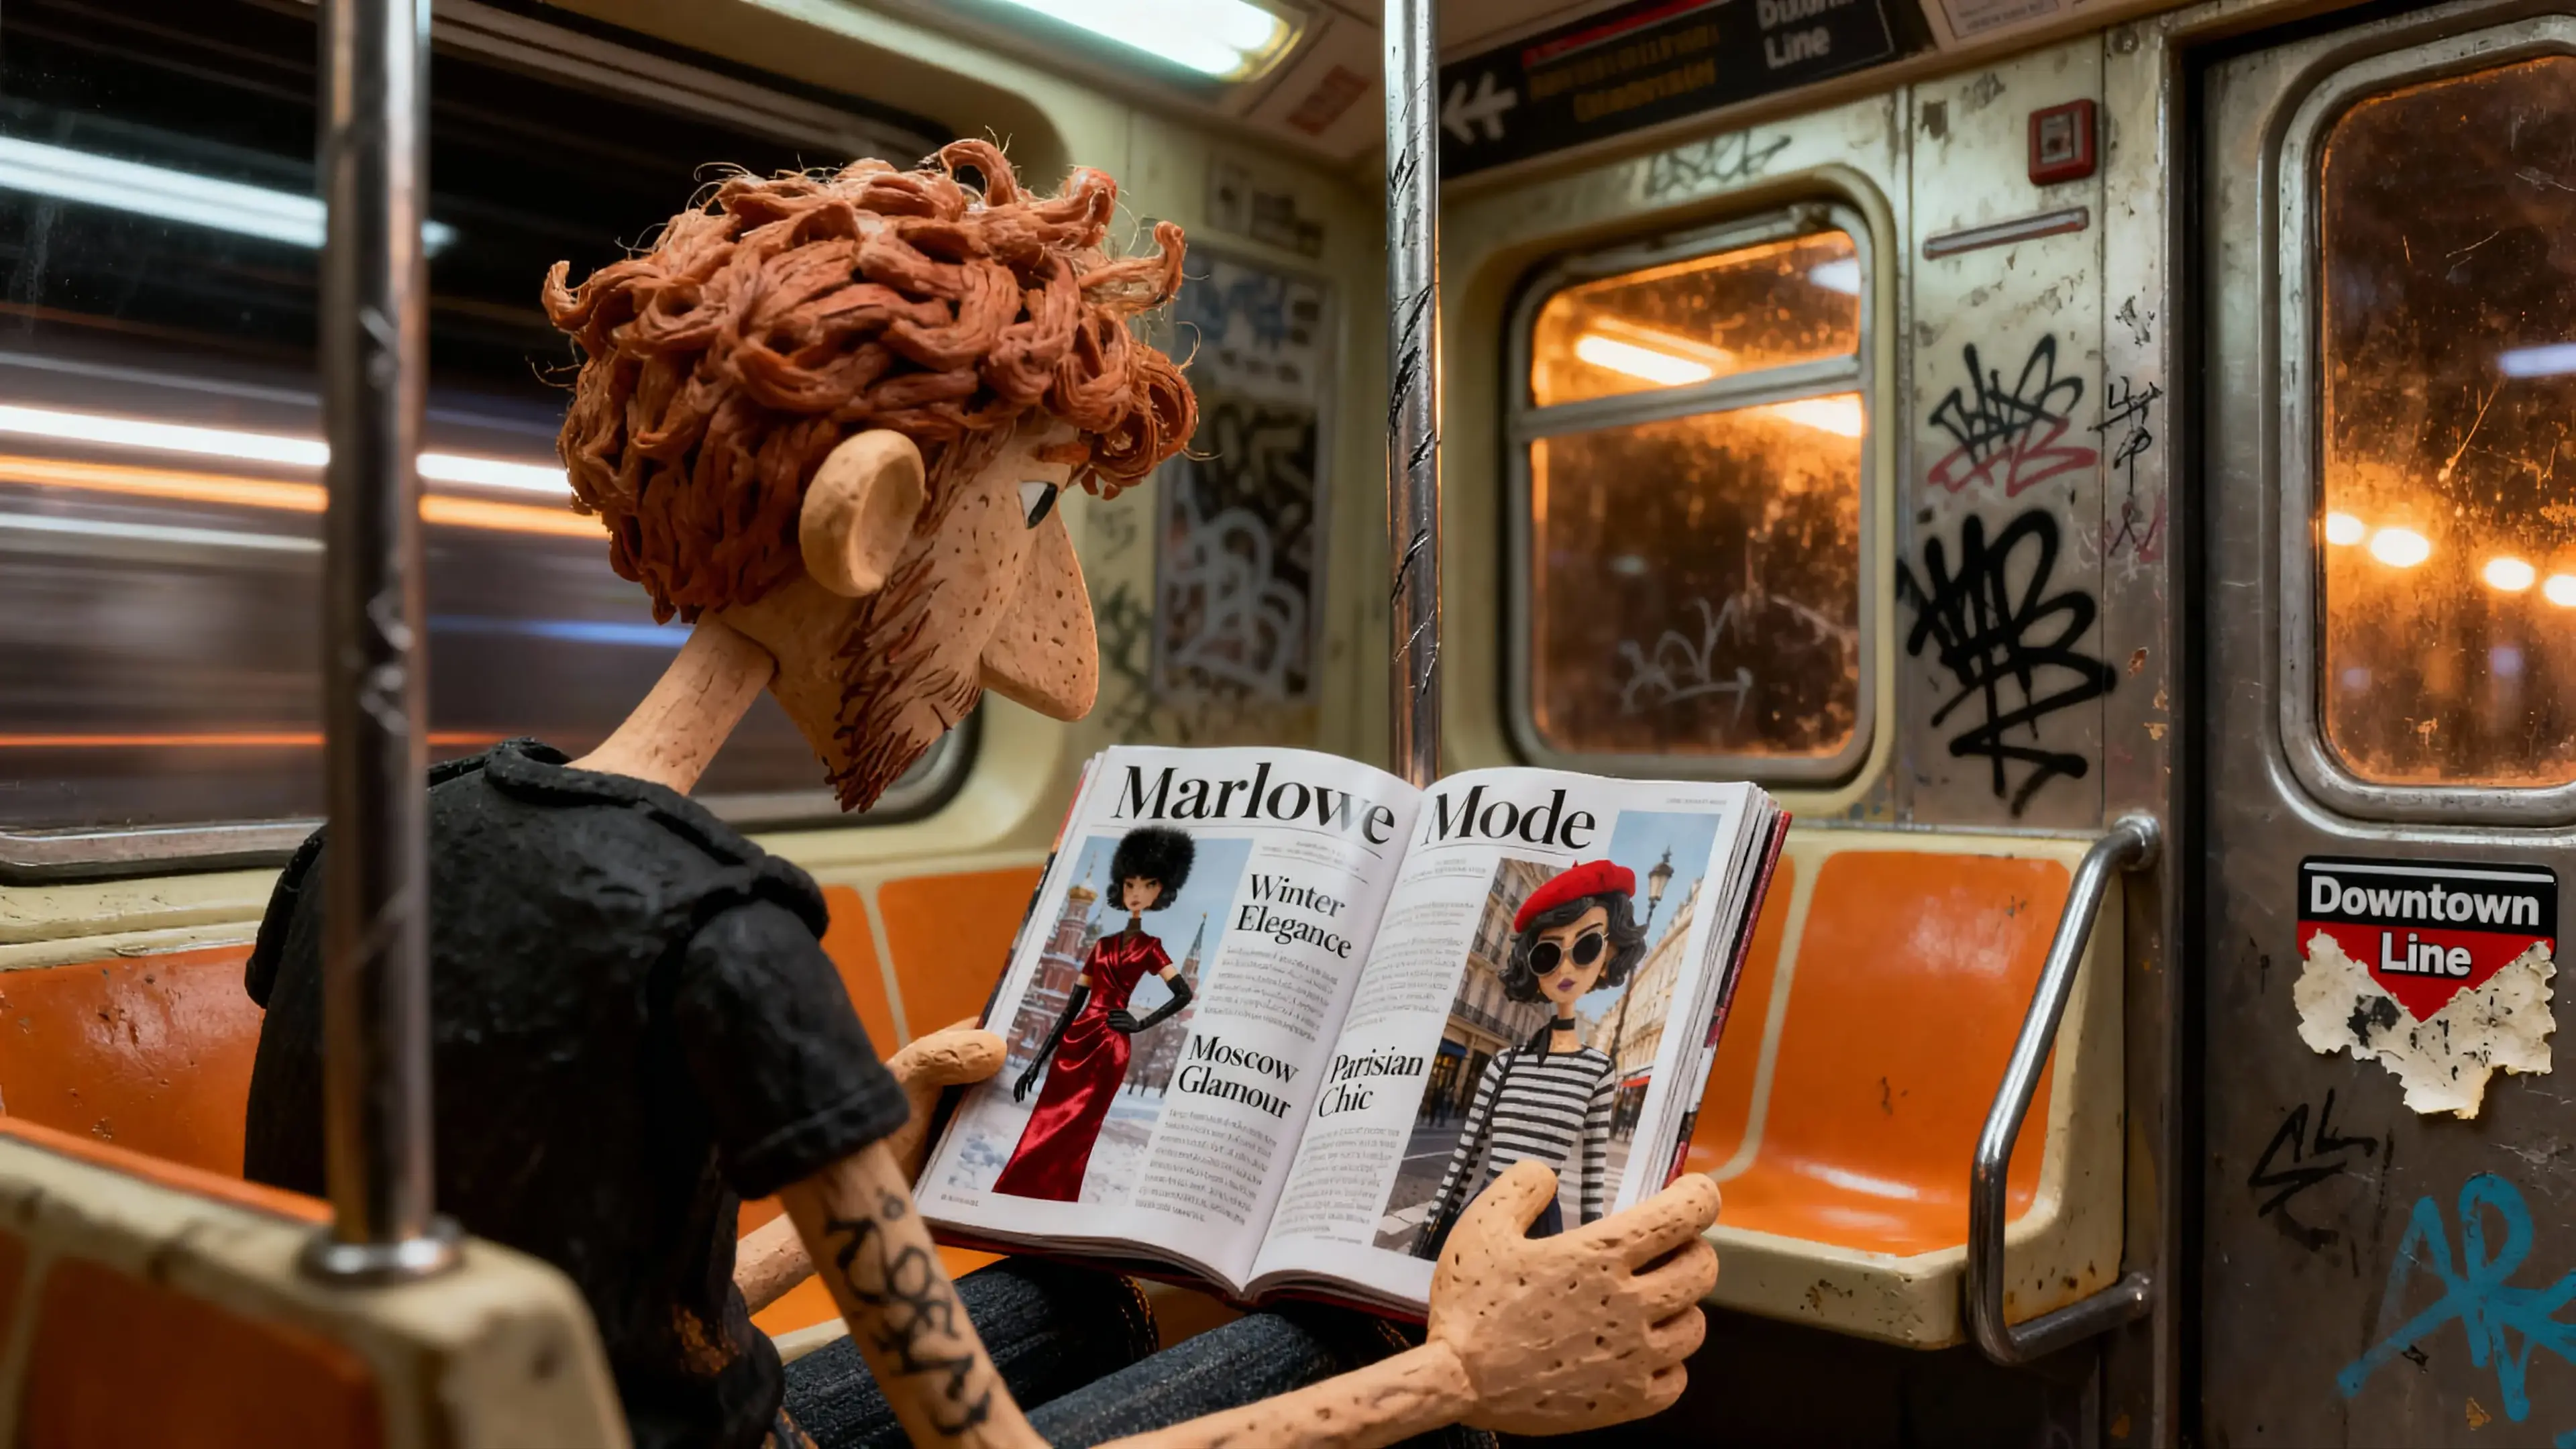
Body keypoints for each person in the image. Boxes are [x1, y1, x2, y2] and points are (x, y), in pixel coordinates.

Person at [245, 140, 1719, 1449]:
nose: (1053, 657)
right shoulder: (719, 936)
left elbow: (608, 1304)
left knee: (1077, 1309)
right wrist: (1460, 1369)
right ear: (871, 517)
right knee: (1349, 1349)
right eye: (1025, 508)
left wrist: (873, 1137)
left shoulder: (365, 850)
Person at [1414, 861, 1644, 1259]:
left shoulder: (1597, 1072)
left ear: (1609, 958)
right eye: (1548, 954)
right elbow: (1464, 1160)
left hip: (1540, 1231)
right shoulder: (1504, 1064)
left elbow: (1593, 1182)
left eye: (1587, 946)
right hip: (1482, 1218)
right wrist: (1432, 1229)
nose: (1566, 966)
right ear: (1531, 965)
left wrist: (1595, 1259)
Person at [995, 826, 1196, 1201]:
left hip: (1110, 1046)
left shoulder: (1153, 948)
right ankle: (1018, 1189)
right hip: (1075, 1041)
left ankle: (1057, 1193)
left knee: (1080, 1126)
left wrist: (1140, 1024)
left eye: (1147, 885)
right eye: (1130, 884)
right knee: (1047, 1117)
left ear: (1160, 892)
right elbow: (1072, 1007)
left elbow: (1182, 993)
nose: (1136, 893)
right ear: (1120, 887)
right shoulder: (1100, 946)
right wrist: (1036, 1062)